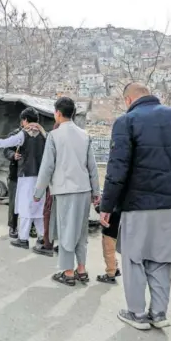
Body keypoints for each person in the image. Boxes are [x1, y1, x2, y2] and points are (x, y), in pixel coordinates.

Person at [100, 83, 171, 330]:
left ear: (129, 99)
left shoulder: (126, 121)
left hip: (138, 204)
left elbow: (117, 168)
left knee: (134, 258)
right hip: (170, 206)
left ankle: (137, 314)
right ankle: (160, 313)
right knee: (162, 259)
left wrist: (107, 205)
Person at [33, 97, 100, 286]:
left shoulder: (54, 136)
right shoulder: (84, 135)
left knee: (66, 230)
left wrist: (38, 192)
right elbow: (92, 167)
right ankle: (81, 269)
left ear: (58, 114)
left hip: (65, 190)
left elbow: (47, 167)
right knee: (81, 231)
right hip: (84, 190)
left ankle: (68, 272)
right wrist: (96, 192)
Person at [0, 107, 46, 249]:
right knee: (38, 209)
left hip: (27, 175)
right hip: (42, 177)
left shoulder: (23, 134)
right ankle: (42, 238)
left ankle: (23, 238)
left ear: (25, 120)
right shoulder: (45, 135)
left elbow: (4, 143)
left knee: (26, 208)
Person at [32, 122, 60, 257]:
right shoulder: (80, 136)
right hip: (73, 187)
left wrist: (38, 193)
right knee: (66, 217)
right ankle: (64, 245)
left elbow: (47, 167)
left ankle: (47, 244)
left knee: (48, 213)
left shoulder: (56, 134)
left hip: (55, 185)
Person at [96, 205, 122, 284]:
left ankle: (110, 274)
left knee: (108, 253)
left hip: (109, 232)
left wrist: (98, 206)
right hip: (117, 231)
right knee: (112, 252)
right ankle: (115, 269)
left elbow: (104, 209)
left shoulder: (111, 203)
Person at [2, 127, 20, 239]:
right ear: (24, 121)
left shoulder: (38, 135)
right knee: (14, 202)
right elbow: (6, 150)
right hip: (16, 174)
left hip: (31, 174)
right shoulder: (15, 134)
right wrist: (13, 155)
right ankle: (13, 226)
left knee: (32, 202)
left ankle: (32, 227)